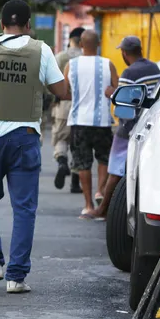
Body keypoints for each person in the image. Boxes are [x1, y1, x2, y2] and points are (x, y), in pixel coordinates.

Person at [0, 0, 70, 294]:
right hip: (25, 136)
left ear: (1, 24)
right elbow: (62, 90)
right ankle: (16, 277)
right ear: (29, 24)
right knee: (23, 208)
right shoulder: (42, 50)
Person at [86, 36, 160, 220]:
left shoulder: (129, 73)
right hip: (149, 125)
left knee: (115, 170)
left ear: (125, 53)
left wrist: (111, 93)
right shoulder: (155, 68)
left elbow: (124, 101)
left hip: (129, 127)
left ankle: (102, 210)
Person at [63, 30, 118, 218]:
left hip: (78, 121)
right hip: (102, 121)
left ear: (80, 45)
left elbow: (63, 92)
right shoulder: (107, 64)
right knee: (104, 159)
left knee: (82, 164)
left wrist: (76, 96)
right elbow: (117, 91)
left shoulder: (71, 65)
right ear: (99, 43)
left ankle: (87, 205)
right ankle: (100, 192)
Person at [52, 27, 85, 194]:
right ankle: (74, 182)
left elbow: (49, 81)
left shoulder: (60, 57)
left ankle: (62, 161)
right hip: (82, 104)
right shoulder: (87, 58)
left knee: (60, 137)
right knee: (78, 143)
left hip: (63, 103)